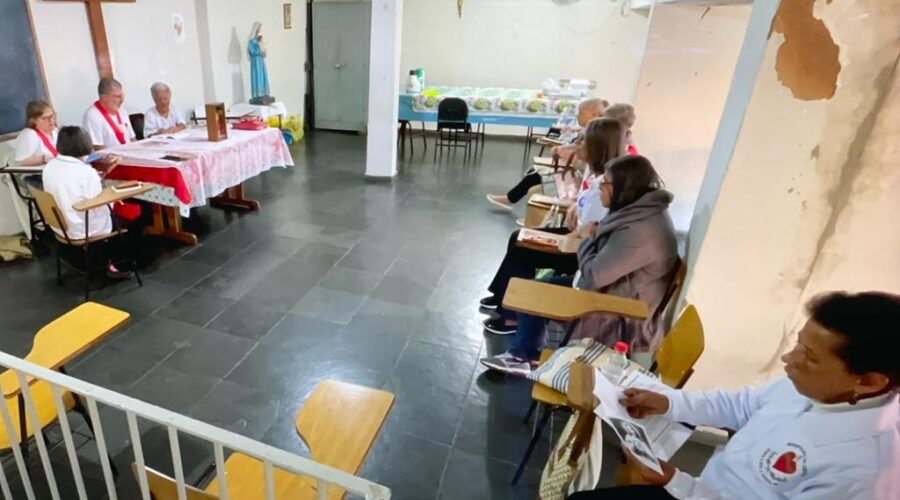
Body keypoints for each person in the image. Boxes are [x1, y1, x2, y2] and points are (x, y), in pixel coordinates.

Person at [569, 291, 900, 500]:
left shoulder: (863, 473)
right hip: (697, 489)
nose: (789, 359)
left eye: (810, 357)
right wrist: (670, 402)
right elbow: (742, 406)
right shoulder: (817, 388)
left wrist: (677, 482)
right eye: (799, 343)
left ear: (869, 382)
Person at [481, 155, 677, 372]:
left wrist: (587, 238)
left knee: (536, 289)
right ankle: (526, 353)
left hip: (618, 311)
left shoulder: (640, 232)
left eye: (606, 183)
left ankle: (523, 357)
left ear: (624, 187)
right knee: (540, 284)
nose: (600, 187)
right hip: (612, 292)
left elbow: (594, 276)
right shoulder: (638, 213)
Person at [480, 117, 627, 335]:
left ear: (597, 147)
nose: (578, 146)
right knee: (517, 237)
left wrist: (577, 218)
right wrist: (576, 208)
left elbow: (588, 232)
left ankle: (511, 318)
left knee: (523, 248)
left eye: (583, 142)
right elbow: (584, 210)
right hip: (576, 236)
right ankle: (500, 293)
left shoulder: (605, 185)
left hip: (582, 251)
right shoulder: (596, 173)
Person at [42, 126, 133, 278]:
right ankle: (119, 264)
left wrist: (100, 176)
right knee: (130, 217)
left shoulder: (49, 167)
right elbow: (97, 203)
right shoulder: (85, 172)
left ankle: (98, 259)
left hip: (60, 226)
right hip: (83, 227)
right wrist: (115, 196)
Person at [486, 98, 607, 211]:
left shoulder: (595, 138)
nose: (577, 116)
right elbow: (576, 149)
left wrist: (565, 153)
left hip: (576, 183)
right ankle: (510, 200)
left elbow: (582, 162)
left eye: (581, 113)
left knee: (536, 178)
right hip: (575, 176)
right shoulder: (588, 132)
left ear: (594, 115)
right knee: (535, 172)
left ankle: (512, 201)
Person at [3, 101, 59, 237]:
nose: (51, 121)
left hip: (54, 173)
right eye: (45, 118)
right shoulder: (30, 135)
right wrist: (44, 158)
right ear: (33, 120)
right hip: (35, 178)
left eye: (52, 116)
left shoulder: (55, 131)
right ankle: (58, 226)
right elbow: (21, 161)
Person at [83, 77, 136, 150]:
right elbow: (97, 147)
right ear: (104, 97)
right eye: (118, 97)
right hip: (112, 159)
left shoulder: (122, 110)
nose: (122, 100)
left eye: (122, 96)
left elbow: (132, 138)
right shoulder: (92, 115)